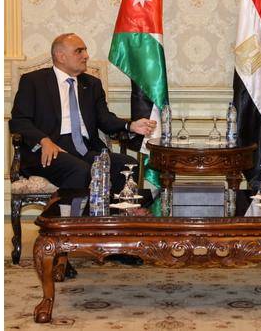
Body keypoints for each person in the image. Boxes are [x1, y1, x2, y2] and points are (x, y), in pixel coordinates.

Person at [9, 33, 156, 269]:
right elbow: (19, 121)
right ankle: (62, 250)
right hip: (49, 151)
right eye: (79, 51)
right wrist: (43, 140)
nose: (86, 55)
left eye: (85, 50)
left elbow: (104, 119)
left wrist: (131, 126)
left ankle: (114, 244)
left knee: (124, 166)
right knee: (80, 171)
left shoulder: (91, 84)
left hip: (85, 149)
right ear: (60, 55)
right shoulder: (33, 81)